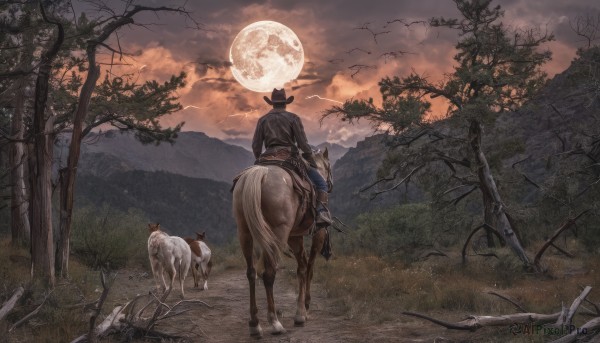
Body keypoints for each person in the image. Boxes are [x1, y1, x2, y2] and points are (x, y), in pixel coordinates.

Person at [252, 88, 332, 227]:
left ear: (272, 103)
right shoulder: (293, 118)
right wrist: (311, 163)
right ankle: (321, 213)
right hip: (289, 157)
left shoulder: (262, 120)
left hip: (266, 157)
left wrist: (259, 160)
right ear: (285, 103)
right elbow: (303, 144)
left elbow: (256, 146)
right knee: (321, 183)